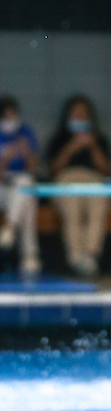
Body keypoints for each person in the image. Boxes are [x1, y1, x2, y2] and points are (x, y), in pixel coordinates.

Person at [46, 95, 111, 278]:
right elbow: (54, 170)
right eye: (76, 113)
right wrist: (70, 148)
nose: (80, 117)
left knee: (98, 205)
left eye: (83, 114)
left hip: (93, 179)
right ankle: (75, 256)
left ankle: (90, 255)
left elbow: (106, 170)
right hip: (67, 178)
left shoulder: (99, 139)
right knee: (72, 210)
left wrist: (93, 147)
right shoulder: (59, 139)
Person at [0, 96, 41, 278]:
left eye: (13, 116)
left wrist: (26, 154)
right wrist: (6, 157)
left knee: (26, 188)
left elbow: (32, 171)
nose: (11, 120)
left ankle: (10, 228)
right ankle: (29, 255)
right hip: (1, 185)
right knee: (26, 197)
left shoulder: (26, 132)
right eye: (6, 117)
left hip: (18, 185)